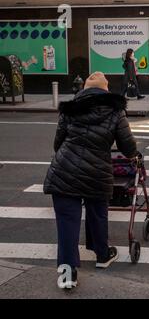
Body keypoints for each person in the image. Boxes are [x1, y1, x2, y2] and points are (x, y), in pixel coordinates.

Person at [43, 72, 139, 289]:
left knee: (67, 223)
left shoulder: (70, 110)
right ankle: (102, 255)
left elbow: (58, 143)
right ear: (106, 90)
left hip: (65, 170)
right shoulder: (115, 111)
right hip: (97, 172)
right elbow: (127, 147)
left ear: (84, 89)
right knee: (98, 212)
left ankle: (67, 274)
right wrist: (134, 156)